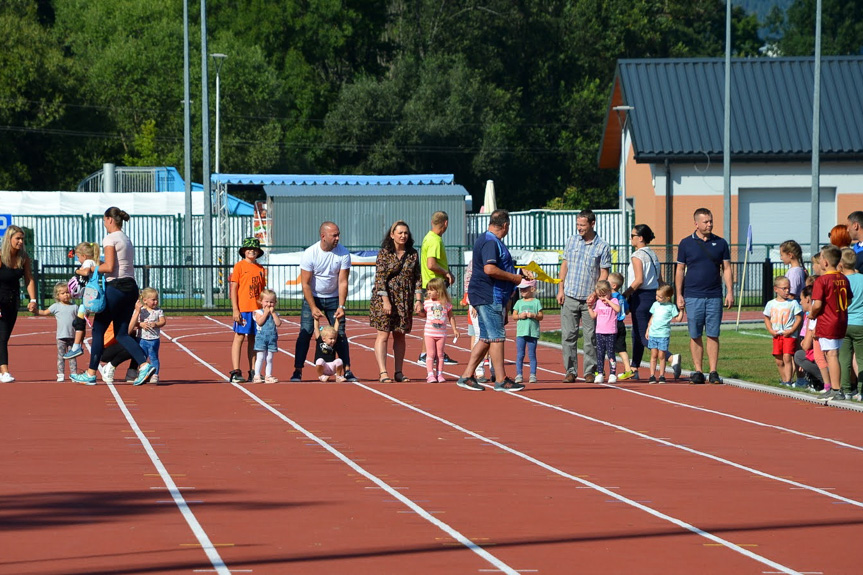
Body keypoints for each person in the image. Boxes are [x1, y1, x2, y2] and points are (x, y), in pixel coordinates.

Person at [71, 207, 155, 386]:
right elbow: (118, 264)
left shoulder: (110, 238)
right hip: (130, 287)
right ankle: (144, 364)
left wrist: (90, 269)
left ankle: (91, 373)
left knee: (98, 329)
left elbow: (109, 267)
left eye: (104, 220)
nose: (103, 223)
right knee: (122, 333)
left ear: (109, 219)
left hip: (115, 287)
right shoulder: (126, 238)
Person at [457, 209, 528, 392]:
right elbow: (490, 269)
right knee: (497, 337)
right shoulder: (491, 242)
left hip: (484, 294)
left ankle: (467, 375)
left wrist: (518, 272)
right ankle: (501, 379)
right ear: (505, 225)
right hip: (489, 295)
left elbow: (499, 266)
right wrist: (514, 279)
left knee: (486, 338)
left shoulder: (487, 239)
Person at [674, 208, 733, 384]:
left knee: (713, 334)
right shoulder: (685, 243)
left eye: (711, 221)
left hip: (714, 295)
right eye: (706, 221)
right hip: (693, 295)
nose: (709, 224)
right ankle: (698, 371)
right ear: (696, 224)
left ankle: (713, 371)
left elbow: (727, 268)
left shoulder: (721, 243)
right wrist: (679, 294)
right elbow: (679, 270)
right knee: (695, 334)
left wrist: (729, 291)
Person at [292, 222, 356, 382]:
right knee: (305, 333)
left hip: (334, 298)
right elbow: (305, 283)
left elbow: (343, 282)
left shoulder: (343, 253)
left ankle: (346, 370)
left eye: (338, 234)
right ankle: (297, 370)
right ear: (323, 236)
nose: (337, 238)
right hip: (314, 297)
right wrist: (313, 306)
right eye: (334, 235)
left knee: (340, 334)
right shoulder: (310, 253)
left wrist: (342, 306)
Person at [557, 209, 612, 383]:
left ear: (592, 224)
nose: (579, 228)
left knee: (591, 337)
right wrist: (560, 288)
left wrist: (596, 294)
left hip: (590, 299)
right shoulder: (572, 241)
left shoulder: (602, 246)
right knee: (568, 335)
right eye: (577, 224)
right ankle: (570, 371)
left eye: (582, 225)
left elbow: (604, 272)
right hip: (570, 295)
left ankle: (590, 371)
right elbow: (564, 265)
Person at [622, 224, 680, 380]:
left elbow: (639, 280)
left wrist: (625, 294)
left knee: (644, 336)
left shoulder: (637, 256)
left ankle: (670, 358)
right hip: (653, 296)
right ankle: (635, 367)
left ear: (640, 238)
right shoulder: (653, 255)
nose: (630, 238)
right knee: (636, 333)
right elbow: (659, 280)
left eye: (632, 235)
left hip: (640, 297)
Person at [370, 221, 422, 383]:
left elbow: (417, 277)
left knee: (400, 335)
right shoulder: (385, 253)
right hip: (384, 298)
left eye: (405, 232)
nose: (403, 236)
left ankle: (399, 371)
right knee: (383, 334)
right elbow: (379, 279)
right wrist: (385, 300)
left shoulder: (413, 254)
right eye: (399, 233)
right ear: (392, 235)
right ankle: (383, 372)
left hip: (404, 299)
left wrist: (418, 299)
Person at [810, 245, 851, 400]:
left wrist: (812, 315)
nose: (819, 261)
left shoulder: (822, 280)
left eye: (820, 258)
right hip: (841, 319)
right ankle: (835, 388)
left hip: (828, 321)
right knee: (833, 353)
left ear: (825, 262)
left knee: (831, 355)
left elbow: (818, 304)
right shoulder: (843, 278)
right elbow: (848, 299)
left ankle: (836, 389)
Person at [418, 211, 457, 366]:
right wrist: (446, 272)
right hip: (435, 285)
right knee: (435, 318)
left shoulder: (429, 237)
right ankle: (426, 353)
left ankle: (428, 353)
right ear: (445, 223)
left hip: (432, 283)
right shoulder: (434, 240)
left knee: (433, 319)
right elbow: (431, 264)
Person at [0, 226, 37, 382]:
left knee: (5, 337)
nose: (21, 241)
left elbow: (29, 279)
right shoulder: (1, 256)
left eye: (22, 238)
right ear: (9, 239)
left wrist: (33, 300)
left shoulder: (24, 258)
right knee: (1, 338)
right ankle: (4, 372)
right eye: (18, 238)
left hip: (13, 301)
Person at [228, 237, 267, 383]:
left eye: (255, 249)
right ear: (244, 251)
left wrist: (265, 308)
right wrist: (235, 309)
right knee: (239, 337)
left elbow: (262, 290)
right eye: (249, 249)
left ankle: (253, 370)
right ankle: (236, 370)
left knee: (254, 340)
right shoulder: (239, 266)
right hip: (243, 308)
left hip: (256, 310)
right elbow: (234, 288)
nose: (252, 251)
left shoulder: (261, 269)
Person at [34, 282, 80, 381]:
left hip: (72, 336)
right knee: (61, 356)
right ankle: (60, 374)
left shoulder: (75, 307)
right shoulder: (56, 306)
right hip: (61, 337)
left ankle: (74, 374)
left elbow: (81, 318)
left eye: (67, 292)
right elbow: (45, 312)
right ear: (57, 296)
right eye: (63, 293)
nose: (66, 295)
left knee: (73, 356)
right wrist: (35, 311)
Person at [762, 276, 803, 386]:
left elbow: (799, 317)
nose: (787, 291)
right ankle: (784, 379)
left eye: (788, 288)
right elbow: (766, 317)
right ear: (776, 289)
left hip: (789, 335)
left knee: (787, 357)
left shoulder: (793, 303)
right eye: (784, 288)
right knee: (779, 360)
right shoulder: (771, 303)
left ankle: (788, 381)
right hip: (777, 335)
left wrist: (792, 330)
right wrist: (770, 330)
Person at [63, 241, 99, 360]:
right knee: (80, 321)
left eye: (78, 257)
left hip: (90, 295)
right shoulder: (92, 261)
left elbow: (86, 272)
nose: (78, 259)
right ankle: (77, 346)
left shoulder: (88, 262)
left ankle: (76, 347)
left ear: (84, 255)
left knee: (79, 322)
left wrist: (77, 271)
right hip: (89, 295)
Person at [838, 248, 863, 400]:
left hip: (844, 322)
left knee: (844, 358)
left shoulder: (840, 281)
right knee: (861, 358)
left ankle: (846, 389)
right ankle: (861, 390)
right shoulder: (861, 278)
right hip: (861, 322)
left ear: (840, 264)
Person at [645, 285, 683, 384]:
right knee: (653, 355)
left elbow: (678, 319)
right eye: (656, 295)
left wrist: (682, 310)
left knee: (662, 356)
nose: (657, 298)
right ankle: (652, 375)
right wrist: (648, 329)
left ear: (667, 298)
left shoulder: (671, 307)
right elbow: (652, 317)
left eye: (660, 297)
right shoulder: (655, 305)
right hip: (653, 333)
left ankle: (662, 375)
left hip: (663, 335)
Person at [423, 277, 458, 383]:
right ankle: (430, 374)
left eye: (431, 290)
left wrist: (455, 329)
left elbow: (451, 317)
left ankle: (440, 374)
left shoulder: (446, 304)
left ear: (439, 291)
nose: (429, 292)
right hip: (429, 333)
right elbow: (422, 313)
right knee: (431, 354)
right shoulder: (427, 303)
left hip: (441, 334)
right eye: (428, 290)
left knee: (440, 354)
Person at [130, 287, 166, 384]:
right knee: (142, 358)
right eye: (153, 300)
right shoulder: (140, 310)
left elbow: (163, 321)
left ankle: (155, 375)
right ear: (145, 300)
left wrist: (156, 324)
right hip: (141, 338)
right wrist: (141, 324)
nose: (155, 302)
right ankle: (142, 373)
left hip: (154, 339)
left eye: (157, 299)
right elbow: (134, 322)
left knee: (154, 357)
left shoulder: (158, 311)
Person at [587, 279, 620, 384]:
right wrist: (589, 308)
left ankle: (612, 374)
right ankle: (600, 373)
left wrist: (608, 301)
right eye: (600, 296)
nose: (602, 298)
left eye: (604, 295)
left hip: (611, 332)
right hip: (600, 332)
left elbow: (618, 309)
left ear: (609, 291)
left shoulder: (614, 300)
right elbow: (593, 316)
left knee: (611, 354)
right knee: (600, 354)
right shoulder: (598, 303)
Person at [512, 279, 543, 384]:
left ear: (532, 289)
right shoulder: (519, 302)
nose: (522, 291)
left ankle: (533, 374)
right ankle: (519, 374)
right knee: (520, 354)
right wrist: (520, 316)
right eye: (521, 289)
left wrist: (534, 315)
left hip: (532, 333)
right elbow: (514, 316)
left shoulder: (536, 302)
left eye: (525, 289)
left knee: (532, 354)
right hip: (521, 333)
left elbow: (541, 316)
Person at [794, 287, 825, 390]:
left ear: (808, 299)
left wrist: (803, 344)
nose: (800, 302)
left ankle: (824, 381)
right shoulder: (821, 312)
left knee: (799, 356)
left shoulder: (812, 316)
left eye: (801, 299)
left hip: (822, 355)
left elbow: (806, 345)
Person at [252, 289, 282, 383]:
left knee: (269, 358)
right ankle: (257, 375)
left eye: (271, 302)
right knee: (260, 356)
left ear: (275, 303)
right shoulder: (258, 312)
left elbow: (278, 323)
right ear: (261, 302)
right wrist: (265, 313)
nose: (269, 304)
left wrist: (273, 314)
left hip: (272, 338)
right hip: (261, 338)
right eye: (266, 302)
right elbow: (260, 322)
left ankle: (268, 375)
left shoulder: (275, 314)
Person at [608, 273, 634, 380]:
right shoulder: (622, 297)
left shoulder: (610, 297)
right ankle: (628, 369)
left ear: (613, 285)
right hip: (621, 324)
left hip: (612, 324)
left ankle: (608, 371)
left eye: (607, 281)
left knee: (608, 348)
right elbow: (627, 311)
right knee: (622, 349)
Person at [313, 315, 344, 382]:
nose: (333, 340)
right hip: (323, 366)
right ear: (324, 338)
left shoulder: (334, 343)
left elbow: (336, 329)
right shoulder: (320, 340)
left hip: (332, 366)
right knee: (319, 361)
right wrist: (316, 319)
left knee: (339, 361)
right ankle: (321, 376)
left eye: (334, 338)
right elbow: (316, 328)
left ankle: (338, 376)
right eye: (331, 339)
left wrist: (337, 320)